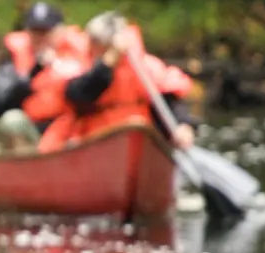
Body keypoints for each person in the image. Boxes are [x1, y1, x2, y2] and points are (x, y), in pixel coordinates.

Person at [38, 12, 199, 154]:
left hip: (141, 139)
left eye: (101, 46)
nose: (95, 51)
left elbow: (169, 100)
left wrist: (182, 125)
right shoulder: (79, 66)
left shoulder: (146, 67)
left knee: (140, 125)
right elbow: (78, 95)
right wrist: (108, 62)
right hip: (93, 141)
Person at [0, 1, 91, 147]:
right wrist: (34, 72)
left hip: (69, 128)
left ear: (59, 32)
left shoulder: (78, 55)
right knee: (12, 120)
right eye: (35, 32)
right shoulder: (14, 59)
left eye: (46, 32)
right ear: (27, 32)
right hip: (33, 130)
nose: (40, 38)